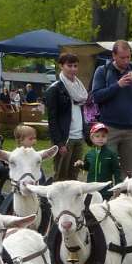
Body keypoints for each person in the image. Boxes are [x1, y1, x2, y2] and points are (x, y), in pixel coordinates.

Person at [90, 40, 132, 178]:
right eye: (122, 57)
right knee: (104, 168)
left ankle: (126, 198)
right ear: (114, 56)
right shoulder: (102, 71)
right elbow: (96, 97)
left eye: (128, 57)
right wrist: (118, 85)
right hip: (109, 129)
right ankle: (105, 197)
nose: (126, 60)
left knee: (131, 174)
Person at [45, 51, 89, 181]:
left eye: (75, 66)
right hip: (65, 138)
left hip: (78, 137)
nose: (73, 69)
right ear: (61, 66)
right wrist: (59, 143)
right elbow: (52, 119)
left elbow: (82, 111)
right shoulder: (55, 89)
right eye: (69, 66)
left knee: (74, 176)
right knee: (61, 176)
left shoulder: (79, 88)